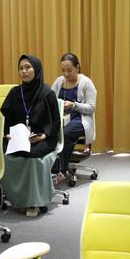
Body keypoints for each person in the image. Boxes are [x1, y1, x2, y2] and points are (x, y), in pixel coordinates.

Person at [0, 55, 61, 217]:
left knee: (32, 156)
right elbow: (7, 120)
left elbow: (56, 123)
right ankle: (16, 198)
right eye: (21, 68)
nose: (24, 71)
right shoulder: (15, 93)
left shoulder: (47, 93)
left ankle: (34, 201)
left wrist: (43, 136)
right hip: (19, 138)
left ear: (37, 69)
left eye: (28, 67)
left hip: (43, 137)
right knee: (5, 153)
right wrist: (7, 134)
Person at [50, 53, 97, 184]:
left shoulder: (86, 83)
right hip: (61, 119)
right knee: (47, 131)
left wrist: (74, 105)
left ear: (77, 67)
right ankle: (48, 169)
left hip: (80, 120)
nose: (66, 74)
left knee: (65, 133)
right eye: (63, 70)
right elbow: (50, 100)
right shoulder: (59, 82)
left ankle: (60, 171)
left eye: (69, 70)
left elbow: (91, 108)